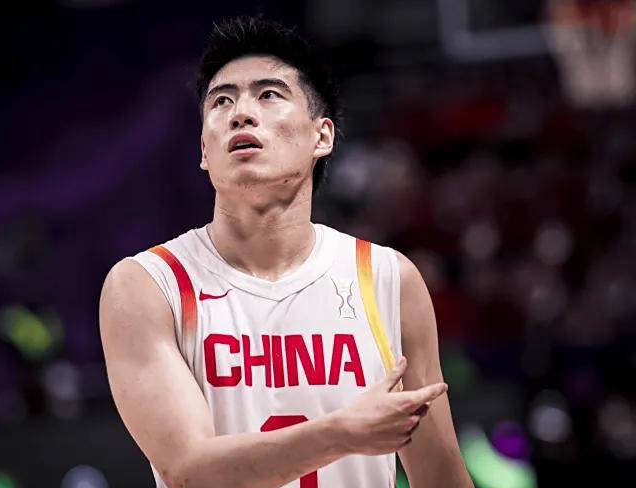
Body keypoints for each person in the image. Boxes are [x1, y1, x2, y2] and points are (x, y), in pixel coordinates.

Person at [99, 16, 474, 488]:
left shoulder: (386, 277)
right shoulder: (147, 285)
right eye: (221, 101)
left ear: (322, 136)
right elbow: (190, 471)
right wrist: (341, 434)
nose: (240, 113)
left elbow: (442, 477)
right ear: (204, 151)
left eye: (269, 94)